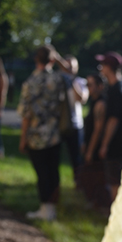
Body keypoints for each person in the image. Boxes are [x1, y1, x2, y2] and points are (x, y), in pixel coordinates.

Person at [18, 45, 65, 221]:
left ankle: (45, 209)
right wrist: (58, 59)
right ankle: (51, 209)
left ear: (36, 60)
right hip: (54, 134)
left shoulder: (30, 82)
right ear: (52, 59)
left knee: (42, 173)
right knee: (53, 172)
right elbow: (71, 74)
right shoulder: (58, 79)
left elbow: (26, 114)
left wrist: (23, 138)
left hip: (36, 136)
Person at [96, 51, 122, 200]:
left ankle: (116, 213)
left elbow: (114, 119)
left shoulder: (115, 90)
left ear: (108, 67)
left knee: (114, 180)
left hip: (116, 142)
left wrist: (105, 144)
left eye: (102, 65)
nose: (100, 68)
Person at [51, 53, 88, 185]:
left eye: (73, 66)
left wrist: (71, 80)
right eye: (67, 65)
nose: (70, 68)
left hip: (75, 126)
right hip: (58, 125)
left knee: (76, 158)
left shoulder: (80, 82)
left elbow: (82, 99)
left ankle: (79, 184)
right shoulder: (55, 80)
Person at [78, 72, 110, 208]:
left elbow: (98, 130)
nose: (88, 88)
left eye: (90, 85)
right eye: (87, 85)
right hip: (90, 144)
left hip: (96, 147)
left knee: (96, 176)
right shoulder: (93, 102)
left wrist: (90, 150)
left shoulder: (100, 104)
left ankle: (99, 203)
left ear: (100, 86)